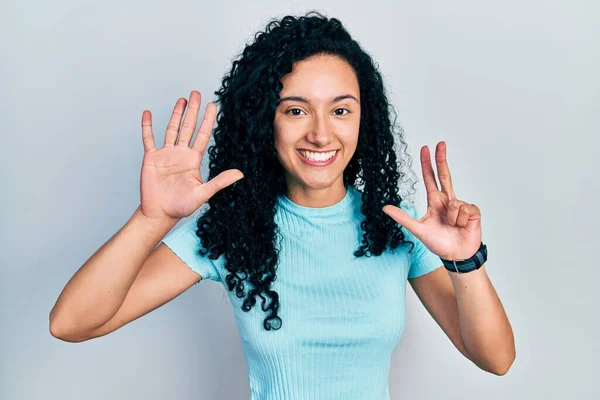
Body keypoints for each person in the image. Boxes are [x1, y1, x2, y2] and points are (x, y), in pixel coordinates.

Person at [49, 11, 515, 399]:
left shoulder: (395, 227)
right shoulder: (231, 228)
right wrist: (151, 220)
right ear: (263, 121)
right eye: (295, 109)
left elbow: (496, 359)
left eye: (340, 109)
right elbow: (72, 323)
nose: (320, 132)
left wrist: (465, 262)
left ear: (362, 121)